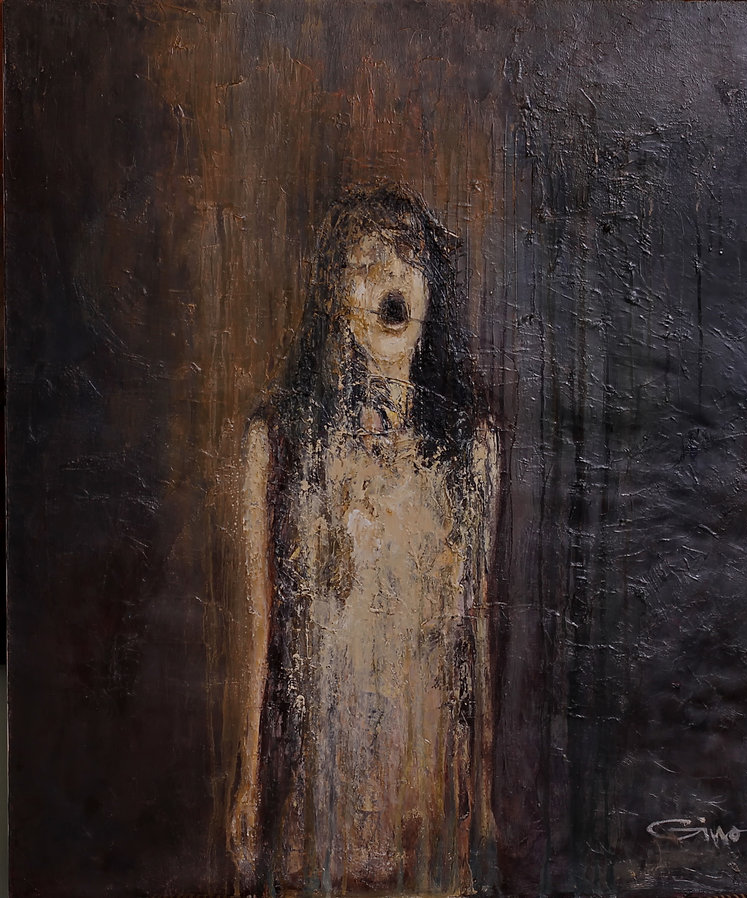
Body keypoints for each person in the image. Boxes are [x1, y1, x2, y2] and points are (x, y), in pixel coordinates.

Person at [228, 185, 499, 896]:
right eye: (365, 262)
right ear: (336, 298)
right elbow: (262, 640)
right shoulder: (279, 446)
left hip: (426, 795)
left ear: (430, 288)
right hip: (321, 792)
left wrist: (482, 798)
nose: (390, 277)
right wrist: (250, 785)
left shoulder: (470, 450)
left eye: (407, 257)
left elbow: (474, 636)